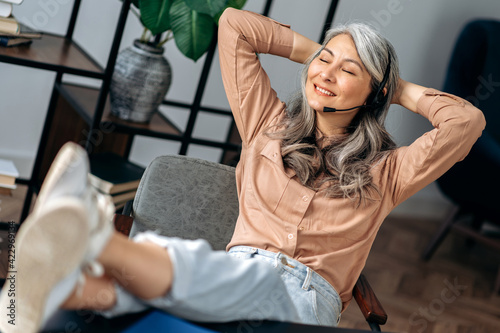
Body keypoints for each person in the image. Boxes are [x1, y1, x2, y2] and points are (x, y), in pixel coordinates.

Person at [0, 8, 485, 333]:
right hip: (230, 272)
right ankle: (59, 290)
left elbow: (467, 121)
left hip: (301, 303)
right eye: (324, 61)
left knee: (254, 281)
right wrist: (319, 53)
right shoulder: (267, 124)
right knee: (170, 287)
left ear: (373, 93)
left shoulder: (389, 171)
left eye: (349, 71)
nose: (327, 74)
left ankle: (88, 237)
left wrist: (395, 87)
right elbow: (234, 25)